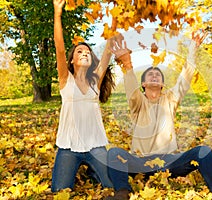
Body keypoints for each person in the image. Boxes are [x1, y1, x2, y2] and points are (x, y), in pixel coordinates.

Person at [105, 35, 212, 200]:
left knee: (202, 151)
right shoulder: (138, 103)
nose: (154, 76)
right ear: (143, 84)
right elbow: (131, 90)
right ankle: (122, 193)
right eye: (150, 75)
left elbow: (184, 79)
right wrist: (127, 64)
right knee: (114, 153)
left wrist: (193, 49)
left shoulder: (170, 99)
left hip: (169, 163)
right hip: (140, 163)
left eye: (158, 75)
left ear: (162, 84)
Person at [52, 0, 117, 192]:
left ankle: (93, 170)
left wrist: (115, 18)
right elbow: (60, 48)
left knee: (111, 186)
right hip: (68, 147)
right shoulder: (66, 79)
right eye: (80, 51)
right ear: (72, 59)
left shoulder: (95, 81)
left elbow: (108, 50)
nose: (84, 53)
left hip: (95, 145)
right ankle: (85, 169)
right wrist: (57, 14)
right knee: (60, 191)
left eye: (88, 52)